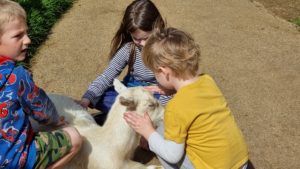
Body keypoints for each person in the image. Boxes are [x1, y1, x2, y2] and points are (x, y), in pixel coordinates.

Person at [124, 27, 249, 169]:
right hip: (241, 162)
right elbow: (194, 102)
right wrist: (172, 91)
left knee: (160, 133)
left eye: (154, 73)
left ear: (163, 71)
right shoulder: (207, 81)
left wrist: (148, 132)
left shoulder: (175, 107)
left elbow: (172, 155)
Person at [0, 1, 82, 168]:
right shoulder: (17, 76)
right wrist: (56, 121)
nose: (28, 40)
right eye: (18, 36)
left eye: (27, 33)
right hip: (13, 159)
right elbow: (42, 109)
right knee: (74, 138)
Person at [78, 0, 172, 118]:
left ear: (157, 27)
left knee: (173, 105)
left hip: (155, 95)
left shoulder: (167, 49)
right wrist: (86, 99)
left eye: (146, 38)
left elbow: (171, 88)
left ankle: (122, 116)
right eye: (136, 38)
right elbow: (107, 76)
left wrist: (158, 109)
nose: (141, 43)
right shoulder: (129, 49)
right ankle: (125, 116)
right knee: (99, 95)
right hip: (130, 90)